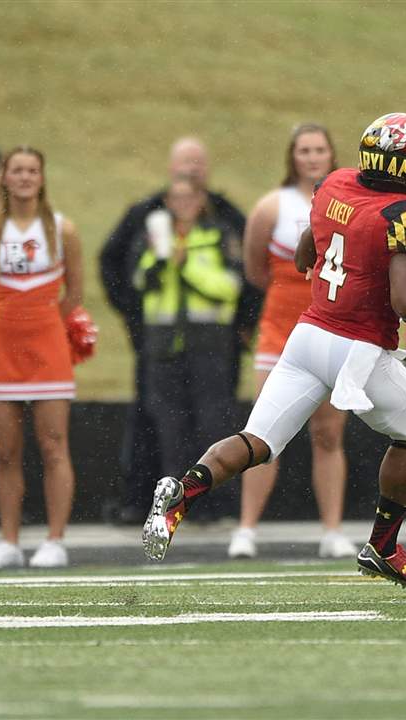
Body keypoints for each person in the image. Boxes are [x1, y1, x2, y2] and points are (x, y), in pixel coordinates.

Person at [143, 113, 406, 588]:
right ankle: (383, 544)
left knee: (258, 441)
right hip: (358, 349)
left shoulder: (335, 184)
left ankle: (183, 492)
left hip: (307, 336)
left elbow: (302, 257)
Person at [231, 123, 356, 560]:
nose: (312, 157)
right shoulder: (271, 206)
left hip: (332, 332)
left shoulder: (348, 204)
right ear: (292, 156)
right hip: (278, 333)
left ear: (331, 153)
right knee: (263, 433)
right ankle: (246, 530)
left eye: (320, 149)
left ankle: (333, 530)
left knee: (328, 435)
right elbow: (255, 271)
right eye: (303, 150)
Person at [0, 146, 84, 569]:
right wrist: (13, 321)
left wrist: (43, 324)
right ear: (4, 177)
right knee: (5, 450)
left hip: (48, 350)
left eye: (32, 171)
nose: (24, 177)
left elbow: (74, 293)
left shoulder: (63, 229)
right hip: (2, 348)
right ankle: (9, 541)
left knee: (54, 446)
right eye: (17, 170)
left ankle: (55, 540)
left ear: (42, 178)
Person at [135, 174, 242, 510]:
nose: (182, 205)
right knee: (169, 426)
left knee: (211, 424)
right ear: (167, 203)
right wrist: (159, 258)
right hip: (164, 347)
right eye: (175, 198)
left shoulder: (218, 235)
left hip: (209, 345)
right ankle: (172, 500)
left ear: (201, 201)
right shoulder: (153, 237)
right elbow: (138, 281)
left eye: (189, 198)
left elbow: (230, 287)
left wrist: (187, 268)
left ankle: (211, 502)